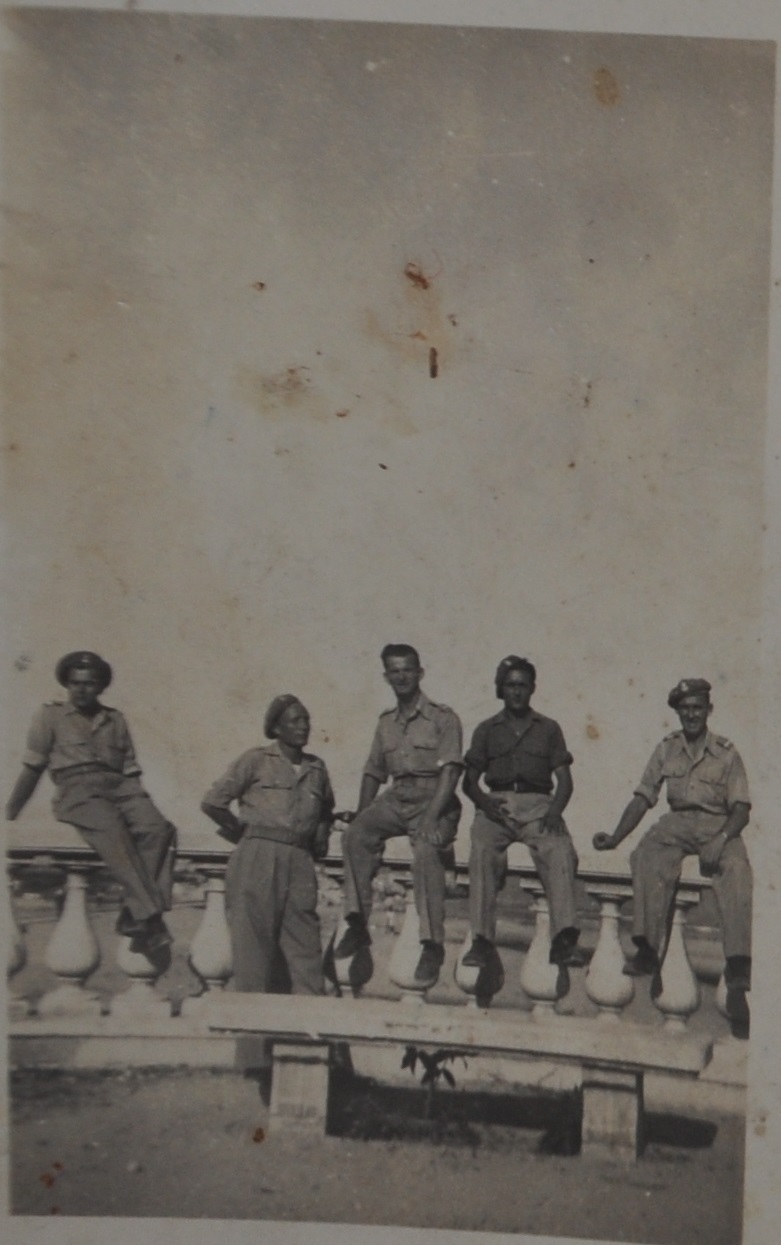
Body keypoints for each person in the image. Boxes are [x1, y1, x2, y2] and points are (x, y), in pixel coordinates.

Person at [593, 678, 752, 1039]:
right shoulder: (666, 748)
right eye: (685, 709)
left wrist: (721, 839)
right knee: (646, 854)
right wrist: (616, 837)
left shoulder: (726, 752)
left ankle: (739, 963)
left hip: (719, 823)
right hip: (677, 822)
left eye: (697, 707)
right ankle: (647, 948)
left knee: (737, 868)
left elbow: (741, 809)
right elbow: (643, 797)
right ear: (677, 712)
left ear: (709, 710)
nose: (691, 714)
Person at [6, 651, 176, 954]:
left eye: (89, 683)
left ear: (100, 686)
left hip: (121, 786)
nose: (81, 690)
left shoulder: (115, 719)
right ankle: (149, 918)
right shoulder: (50, 716)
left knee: (159, 829)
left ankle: (133, 912)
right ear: (66, 684)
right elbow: (33, 767)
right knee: (113, 832)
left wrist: (140, 806)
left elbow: (130, 770)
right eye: (75, 683)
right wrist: (9, 813)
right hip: (77, 788)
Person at [334, 644, 463, 986]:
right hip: (398, 795)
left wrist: (432, 817)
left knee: (427, 849)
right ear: (386, 676)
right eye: (395, 671)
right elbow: (373, 771)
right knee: (355, 835)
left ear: (420, 673)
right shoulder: (386, 723)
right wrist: (362, 813)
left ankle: (432, 944)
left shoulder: (443, 718)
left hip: (436, 796)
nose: (402, 676)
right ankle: (357, 922)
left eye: (408, 669)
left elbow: (451, 772)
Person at [201, 694, 334, 1002]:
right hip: (258, 855)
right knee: (252, 949)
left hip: (300, 859)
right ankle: (252, 1032)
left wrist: (322, 832)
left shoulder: (316, 768)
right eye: (295, 721)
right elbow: (213, 802)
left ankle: (309, 1028)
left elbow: (326, 809)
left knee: (306, 946)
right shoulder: (256, 760)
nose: (303, 726)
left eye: (306, 720)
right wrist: (245, 834)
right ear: (276, 728)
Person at [462, 656, 584, 978]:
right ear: (500, 689)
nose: (516, 692)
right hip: (497, 803)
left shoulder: (549, 728)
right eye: (510, 685)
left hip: (538, 804)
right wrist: (484, 803)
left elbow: (565, 781)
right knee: (481, 849)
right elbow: (469, 781)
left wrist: (555, 812)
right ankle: (481, 940)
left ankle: (564, 937)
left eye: (522, 685)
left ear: (532, 689)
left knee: (560, 849)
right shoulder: (486, 729)